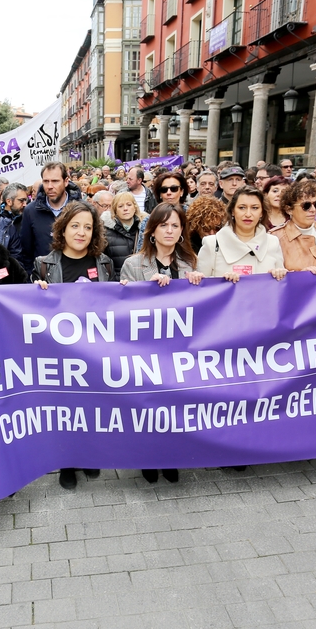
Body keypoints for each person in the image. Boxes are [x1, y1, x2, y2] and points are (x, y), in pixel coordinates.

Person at [119, 202, 204, 485]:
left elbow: (202, 309)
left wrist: (199, 284)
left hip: (179, 350)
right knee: (147, 407)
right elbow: (119, 310)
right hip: (145, 350)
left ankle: (171, 457)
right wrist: (144, 291)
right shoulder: (133, 264)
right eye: (163, 225)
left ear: (182, 231)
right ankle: (147, 458)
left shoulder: (189, 263)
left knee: (175, 407)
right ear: (152, 230)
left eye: (175, 226)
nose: (169, 230)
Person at [32, 202, 112, 491]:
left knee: (90, 405)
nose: (81, 232)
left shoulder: (104, 263)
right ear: (62, 229)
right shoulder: (44, 264)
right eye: (75, 226)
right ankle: (66, 460)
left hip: (92, 348)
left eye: (88, 227)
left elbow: (112, 306)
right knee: (64, 407)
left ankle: (89, 454)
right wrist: (36, 291)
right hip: (59, 351)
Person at [197, 187, 286, 281]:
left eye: (255, 208)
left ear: (262, 213)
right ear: (232, 211)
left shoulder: (273, 242)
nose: (248, 214)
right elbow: (202, 287)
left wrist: (279, 275)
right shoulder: (212, 243)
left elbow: (279, 287)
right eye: (242, 208)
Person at [19, 161, 83, 272]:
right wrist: (33, 276)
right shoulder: (31, 211)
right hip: (43, 280)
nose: (49, 186)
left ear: (66, 181)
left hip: (75, 277)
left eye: (55, 181)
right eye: (46, 181)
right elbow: (26, 252)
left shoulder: (82, 209)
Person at [136, 171, 189, 250]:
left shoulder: (192, 216)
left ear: (181, 191)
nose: (169, 192)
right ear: (160, 194)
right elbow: (141, 251)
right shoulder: (149, 220)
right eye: (164, 190)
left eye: (174, 189)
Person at [101, 191, 144, 280]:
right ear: (115, 210)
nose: (125, 208)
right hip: (116, 282)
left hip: (140, 281)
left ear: (135, 207)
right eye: (120, 206)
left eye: (129, 205)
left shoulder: (144, 229)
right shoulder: (105, 231)